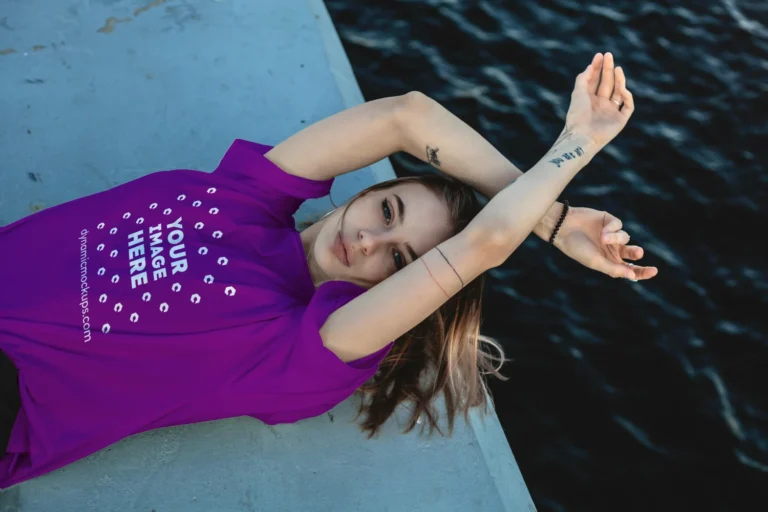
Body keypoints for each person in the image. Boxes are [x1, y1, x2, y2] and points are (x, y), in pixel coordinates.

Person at [0, 52, 656, 489]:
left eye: (399, 260)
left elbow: (484, 244)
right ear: (365, 194)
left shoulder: (305, 348)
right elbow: (404, 116)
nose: (369, 239)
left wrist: (578, 144)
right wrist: (556, 215)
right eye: (387, 210)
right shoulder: (248, 197)